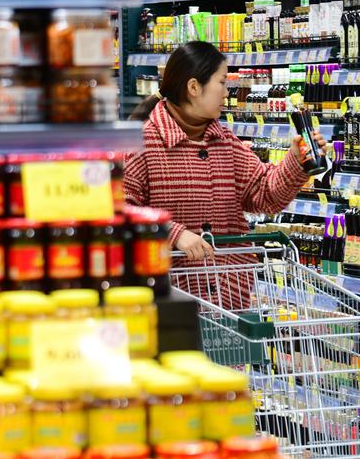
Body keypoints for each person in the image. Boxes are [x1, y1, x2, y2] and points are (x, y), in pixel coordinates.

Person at [125, 41, 327, 303]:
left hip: (229, 300)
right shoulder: (142, 143)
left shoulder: (224, 142)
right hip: (170, 301)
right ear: (194, 87)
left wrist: (297, 161)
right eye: (221, 82)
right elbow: (119, 209)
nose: (226, 92)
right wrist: (171, 232)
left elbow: (266, 193)